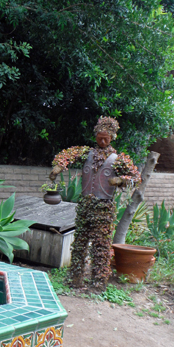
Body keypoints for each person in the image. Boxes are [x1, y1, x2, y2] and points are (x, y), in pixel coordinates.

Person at [50, 117, 140, 287]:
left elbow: (136, 177)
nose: (103, 141)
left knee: (101, 246)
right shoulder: (87, 153)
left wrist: (121, 180)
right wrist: (59, 165)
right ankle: (74, 279)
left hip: (104, 207)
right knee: (80, 244)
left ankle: (98, 283)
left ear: (112, 137)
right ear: (95, 136)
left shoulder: (117, 159)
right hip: (85, 205)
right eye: (100, 137)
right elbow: (68, 154)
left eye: (106, 138)